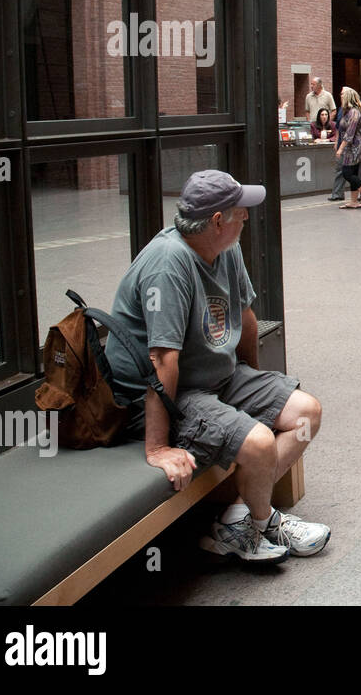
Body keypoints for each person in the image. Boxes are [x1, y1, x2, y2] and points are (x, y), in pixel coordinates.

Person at [106, 170, 329, 563]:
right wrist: (158, 447)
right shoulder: (168, 264)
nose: (247, 215)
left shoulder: (226, 247)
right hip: (165, 395)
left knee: (306, 413)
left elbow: (243, 315)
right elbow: (162, 359)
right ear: (217, 220)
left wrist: (255, 381)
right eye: (240, 210)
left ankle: (237, 520)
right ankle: (259, 525)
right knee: (259, 442)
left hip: (213, 376)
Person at [334, 87, 361, 208]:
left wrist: (340, 148)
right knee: (353, 173)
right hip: (352, 148)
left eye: (342, 94)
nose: (340, 96)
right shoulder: (347, 111)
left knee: (347, 173)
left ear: (348, 97)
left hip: (356, 148)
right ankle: (354, 201)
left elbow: (349, 133)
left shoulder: (354, 112)